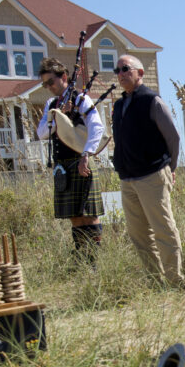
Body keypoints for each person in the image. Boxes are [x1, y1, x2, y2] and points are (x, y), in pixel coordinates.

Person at [110, 54, 185, 287]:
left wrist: (169, 168)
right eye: (117, 70)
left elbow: (172, 137)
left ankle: (175, 282)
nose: (121, 74)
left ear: (140, 73)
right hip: (128, 179)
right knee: (139, 235)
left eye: (125, 69)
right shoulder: (119, 105)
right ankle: (156, 283)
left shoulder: (152, 101)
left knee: (163, 229)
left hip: (152, 175)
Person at [36, 57, 105, 266]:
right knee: (74, 216)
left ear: (64, 77)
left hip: (80, 159)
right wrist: (59, 117)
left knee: (89, 214)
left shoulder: (80, 99)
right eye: (45, 84)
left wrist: (86, 154)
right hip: (62, 165)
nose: (48, 87)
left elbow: (97, 127)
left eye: (51, 82)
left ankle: (94, 260)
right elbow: (41, 133)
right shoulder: (51, 105)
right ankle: (82, 258)